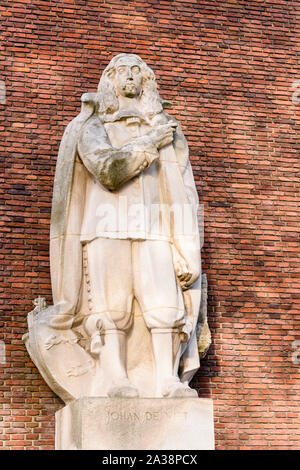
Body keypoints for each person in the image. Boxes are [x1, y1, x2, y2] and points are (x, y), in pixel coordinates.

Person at [46, 54, 202, 398]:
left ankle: (166, 380)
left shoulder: (166, 128)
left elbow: (183, 192)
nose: (130, 77)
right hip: (106, 227)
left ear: (146, 80)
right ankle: (115, 378)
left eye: (137, 71)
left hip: (155, 229)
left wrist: (184, 245)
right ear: (110, 80)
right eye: (122, 71)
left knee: (164, 306)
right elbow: (109, 171)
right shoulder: (92, 126)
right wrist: (149, 144)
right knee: (111, 309)